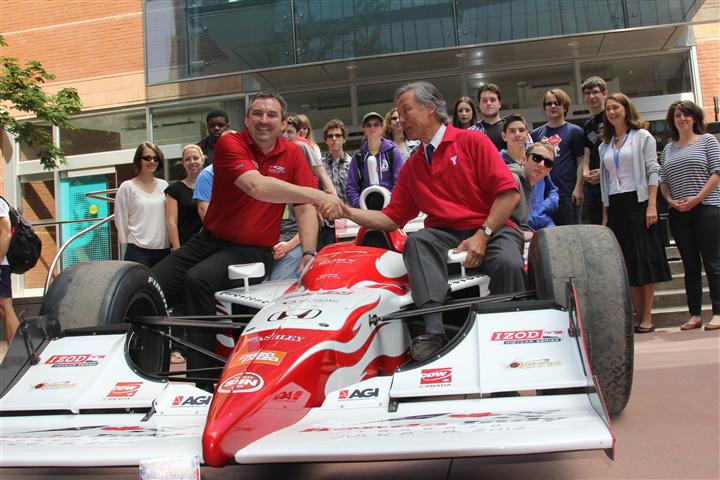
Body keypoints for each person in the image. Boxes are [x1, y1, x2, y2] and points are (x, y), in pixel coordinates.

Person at [322, 81, 524, 362]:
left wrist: (483, 233)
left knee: (508, 262)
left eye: (406, 111)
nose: (400, 120)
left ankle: (511, 332)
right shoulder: (415, 163)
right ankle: (433, 331)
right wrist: (345, 211)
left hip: (494, 226)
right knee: (417, 241)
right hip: (444, 234)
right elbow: (392, 218)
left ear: (431, 108)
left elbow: (509, 194)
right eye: (398, 113)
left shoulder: (472, 141)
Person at [151, 92, 343, 384]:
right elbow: (256, 186)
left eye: (271, 115)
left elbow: (303, 209)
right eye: (257, 113)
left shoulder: (292, 154)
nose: (263, 120)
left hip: (254, 249)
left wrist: (308, 252)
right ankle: (143, 365)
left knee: (198, 280)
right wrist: (318, 194)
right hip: (209, 240)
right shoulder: (231, 142)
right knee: (147, 284)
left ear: (283, 122)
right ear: (246, 119)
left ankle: (204, 382)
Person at [599, 93, 671, 333]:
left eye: (615, 107)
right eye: (608, 109)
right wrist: (606, 212)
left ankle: (647, 317)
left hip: (639, 203)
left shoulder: (642, 137)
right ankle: (637, 316)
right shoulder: (604, 145)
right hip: (616, 206)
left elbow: (653, 170)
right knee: (627, 263)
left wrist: (652, 205)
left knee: (643, 260)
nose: (611, 112)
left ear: (626, 109)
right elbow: (605, 181)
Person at [659, 100, 720, 331]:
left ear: (694, 118)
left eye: (686, 115)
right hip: (679, 212)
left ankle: (718, 312)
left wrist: (697, 198)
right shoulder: (668, 148)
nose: (682, 119)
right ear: (672, 121)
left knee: (713, 262)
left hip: (707, 209)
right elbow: (663, 181)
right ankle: (694, 314)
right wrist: (669, 200)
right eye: (677, 116)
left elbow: (717, 173)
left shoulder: (708, 141)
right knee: (690, 265)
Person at [531, 88, 585, 226]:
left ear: (565, 107)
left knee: (571, 236)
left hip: (568, 194)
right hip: (544, 196)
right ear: (544, 108)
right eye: (549, 103)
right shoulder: (536, 134)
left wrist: (579, 188)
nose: (553, 106)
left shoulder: (575, 131)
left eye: (557, 103)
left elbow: (581, 162)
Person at [114, 142, 170, 268]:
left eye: (156, 158)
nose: (152, 161)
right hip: (138, 251)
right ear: (139, 160)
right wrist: (126, 242)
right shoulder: (127, 187)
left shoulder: (164, 185)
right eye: (147, 158)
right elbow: (120, 219)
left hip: (163, 250)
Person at [500, 114, 558, 232]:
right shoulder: (496, 163)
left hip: (544, 221)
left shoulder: (539, 159)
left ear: (527, 135)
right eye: (512, 131)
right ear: (504, 136)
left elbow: (552, 190)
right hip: (517, 227)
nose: (517, 134)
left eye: (521, 130)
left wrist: (544, 207)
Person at [347, 112, 405, 208]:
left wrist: (390, 203)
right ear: (364, 129)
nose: (372, 128)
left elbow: (400, 182)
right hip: (366, 208)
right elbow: (351, 187)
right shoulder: (358, 157)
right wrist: (361, 204)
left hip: (391, 207)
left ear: (382, 128)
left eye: (376, 125)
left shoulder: (393, 152)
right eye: (368, 125)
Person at [506, 141, 557, 239]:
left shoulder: (528, 182)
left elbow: (553, 191)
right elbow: (494, 218)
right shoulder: (512, 180)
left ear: (549, 171)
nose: (541, 164)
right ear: (524, 159)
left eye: (548, 163)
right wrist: (521, 233)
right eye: (536, 158)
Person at [319, 119, 352, 248]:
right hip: (328, 225)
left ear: (344, 139)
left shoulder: (354, 163)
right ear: (326, 140)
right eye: (330, 136)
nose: (334, 139)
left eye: (338, 135)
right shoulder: (319, 166)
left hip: (351, 222)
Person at [581, 76, 609, 225]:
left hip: (612, 183)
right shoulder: (588, 125)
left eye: (595, 92)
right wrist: (585, 173)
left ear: (605, 94)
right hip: (593, 185)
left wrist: (604, 171)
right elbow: (586, 153)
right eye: (587, 93)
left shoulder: (613, 118)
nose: (591, 96)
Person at [166, 144, 204, 250]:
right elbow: (171, 222)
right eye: (187, 159)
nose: (192, 162)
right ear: (183, 163)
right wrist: (177, 249)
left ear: (202, 160)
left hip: (210, 243)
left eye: (196, 158)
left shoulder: (212, 185)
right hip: (186, 245)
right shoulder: (174, 190)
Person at [0, 197, 19, 343]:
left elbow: (6, 232)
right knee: (3, 309)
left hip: (1, 263)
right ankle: (14, 350)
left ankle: (20, 350)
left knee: (5, 305)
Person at [469, 83, 505, 151]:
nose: (489, 103)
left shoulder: (513, 128)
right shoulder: (470, 133)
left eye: (492, 100)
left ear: (499, 104)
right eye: (484, 101)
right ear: (479, 105)